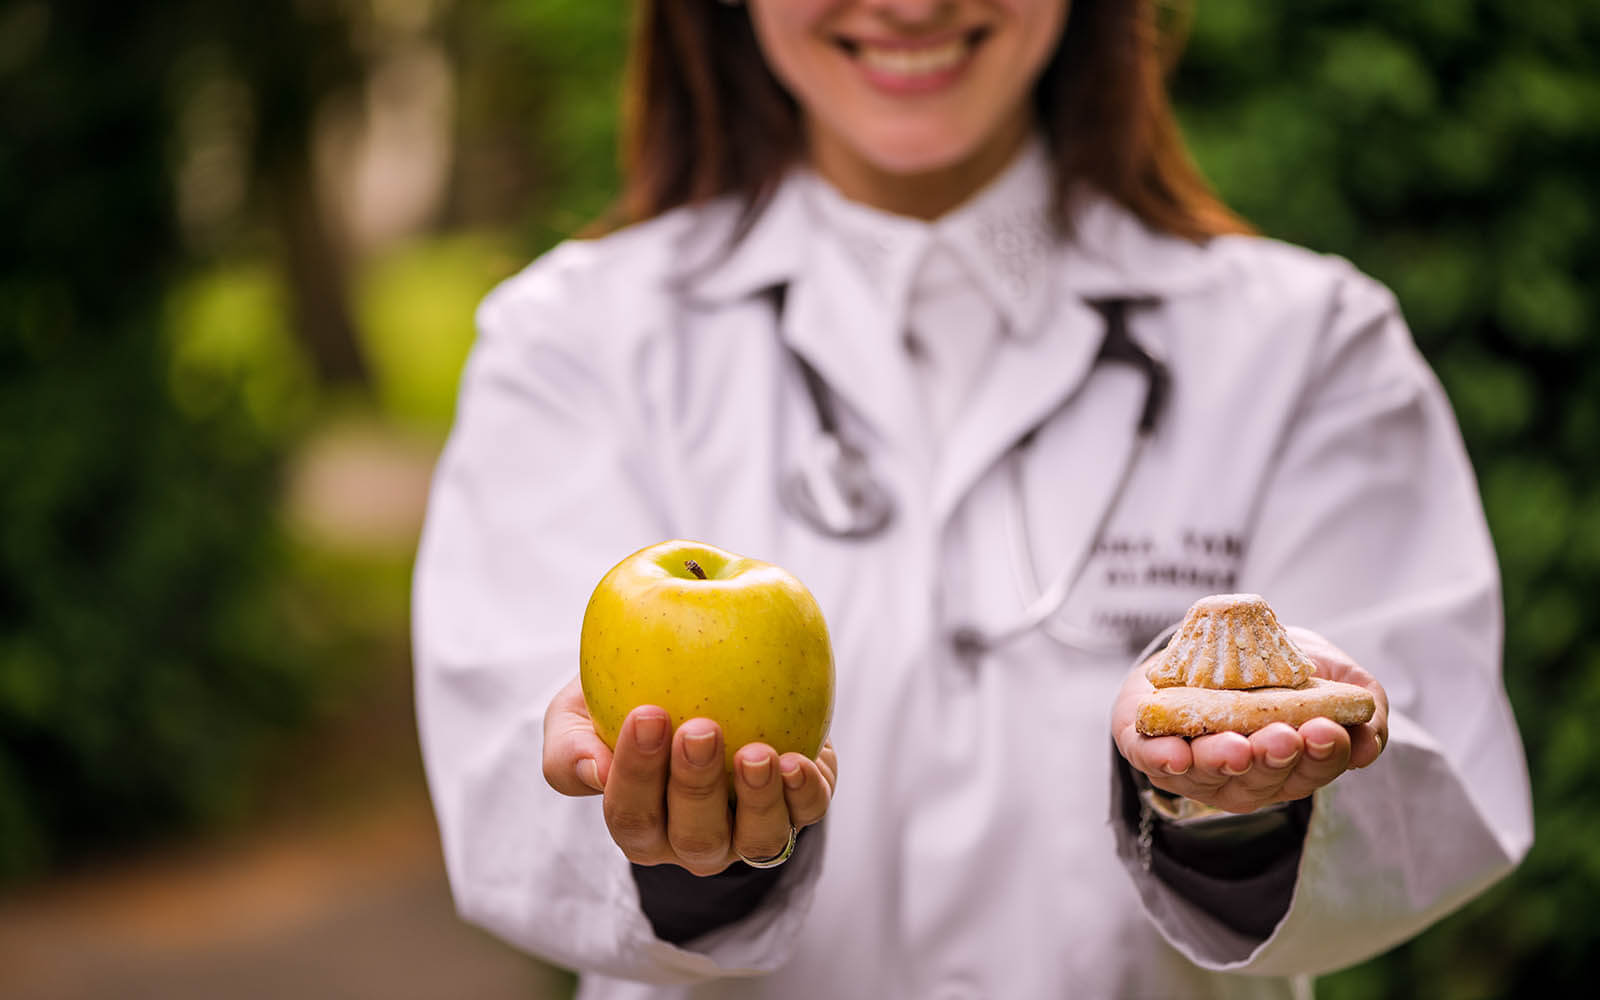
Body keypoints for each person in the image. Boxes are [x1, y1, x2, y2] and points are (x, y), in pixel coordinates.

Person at [412, 1, 1534, 997]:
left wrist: (1233, 819)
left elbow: (1426, 794)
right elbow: (511, 802)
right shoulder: (571, 344)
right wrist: (690, 852)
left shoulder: (1306, 348)